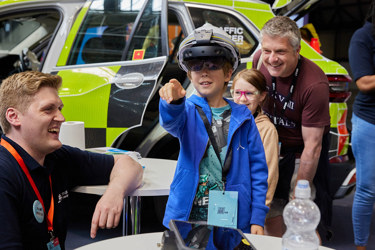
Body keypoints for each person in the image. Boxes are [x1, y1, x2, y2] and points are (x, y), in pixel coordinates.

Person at [0, 71, 143, 249]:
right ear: (14, 117)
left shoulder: (56, 157)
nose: (61, 118)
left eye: (59, 109)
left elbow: (129, 164)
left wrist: (115, 192)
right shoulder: (5, 173)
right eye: (48, 109)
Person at [159, 23, 269, 247]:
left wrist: (258, 215)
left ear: (229, 73)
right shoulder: (186, 110)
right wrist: (174, 102)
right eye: (197, 66)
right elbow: (170, 122)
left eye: (213, 65)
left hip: (231, 215)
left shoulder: (244, 118)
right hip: (189, 214)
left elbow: (258, 170)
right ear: (189, 73)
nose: (204, 72)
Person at [252, 16, 331, 238]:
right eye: (267, 50)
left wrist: (301, 190)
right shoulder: (259, 61)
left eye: (280, 52)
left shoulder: (314, 84)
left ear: (297, 51)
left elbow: (313, 147)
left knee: (301, 216)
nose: (272, 58)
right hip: (271, 147)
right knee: (270, 211)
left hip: (301, 152)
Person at [231, 68, 279, 234]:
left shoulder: (266, 130)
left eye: (249, 94)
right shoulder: (225, 121)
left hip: (247, 211)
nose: (242, 99)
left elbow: (268, 177)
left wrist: (257, 218)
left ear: (262, 96)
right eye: (238, 92)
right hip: (222, 205)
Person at [348, 1, 375, 248]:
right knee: (367, 188)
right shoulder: (363, 37)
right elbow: (364, 82)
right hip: (370, 122)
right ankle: (360, 246)